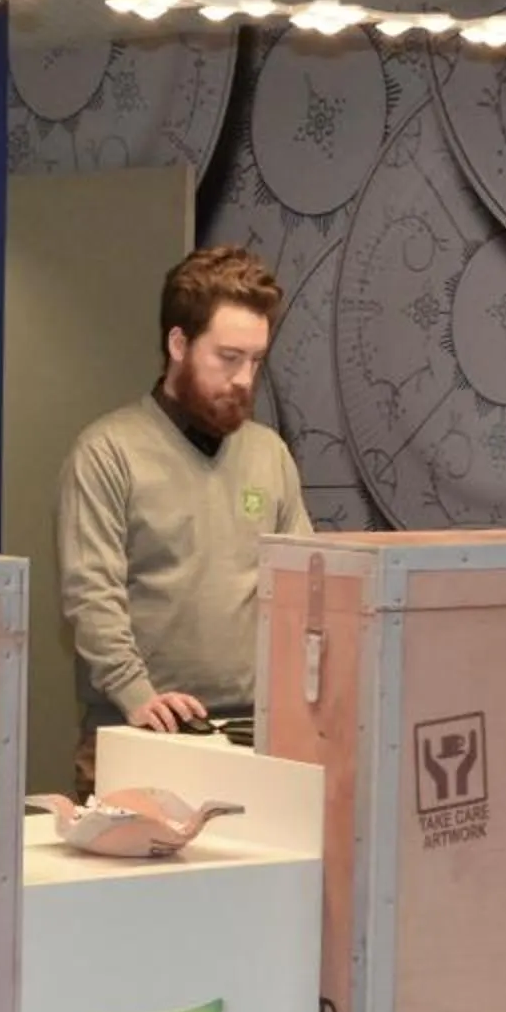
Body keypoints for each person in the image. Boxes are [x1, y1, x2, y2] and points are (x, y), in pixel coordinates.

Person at [55, 245, 312, 796]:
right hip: (137, 737)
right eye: (228, 357)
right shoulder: (108, 452)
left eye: (256, 360)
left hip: (251, 736)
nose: (245, 378)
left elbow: (304, 591)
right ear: (178, 344)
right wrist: (137, 694)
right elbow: (91, 596)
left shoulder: (269, 455)